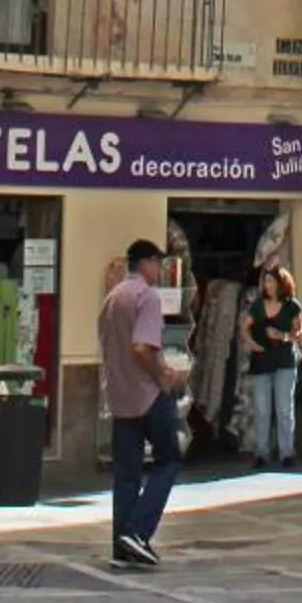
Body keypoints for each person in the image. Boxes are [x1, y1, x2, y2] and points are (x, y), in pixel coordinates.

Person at [97, 237, 185, 569]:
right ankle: (138, 531)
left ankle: (122, 544)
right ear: (146, 263)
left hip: (119, 396)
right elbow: (140, 348)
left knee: (127, 474)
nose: (160, 271)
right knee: (168, 460)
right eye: (158, 264)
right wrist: (162, 374)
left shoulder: (113, 297)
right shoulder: (146, 297)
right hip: (147, 394)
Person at [243, 262, 302, 468]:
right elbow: (245, 327)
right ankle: (261, 452)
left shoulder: (292, 306)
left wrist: (282, 336)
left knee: (284, 408)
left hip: (285, 362)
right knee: (261, 409)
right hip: (261, 361)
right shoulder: (257, 305)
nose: (267, 285)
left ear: (281, 283)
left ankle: (287, 452)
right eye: (265, 281)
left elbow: (299, 334)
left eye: (270, 281)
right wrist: (251, 343)